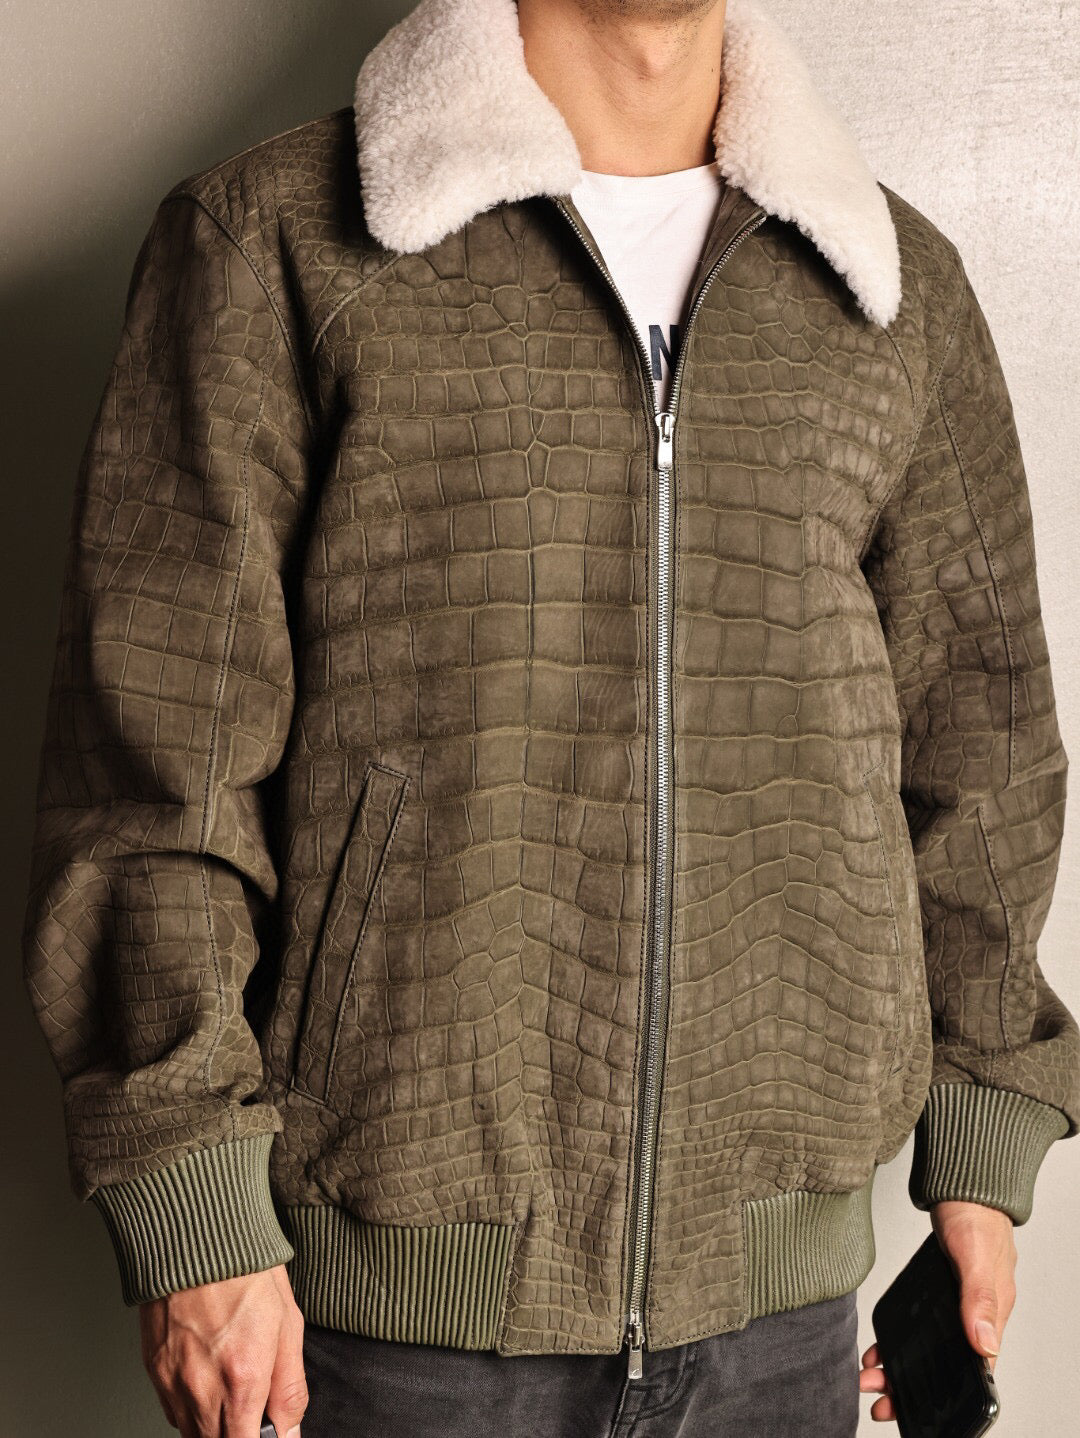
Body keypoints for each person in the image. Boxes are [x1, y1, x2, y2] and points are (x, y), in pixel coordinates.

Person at [21, 0, 1079, 1433]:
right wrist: (191, 1210)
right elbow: (154, 765)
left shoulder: (890, 286)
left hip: (778, 1335)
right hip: (390, 1334)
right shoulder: (272, 245)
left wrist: (983, 1149)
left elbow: (982, 746)